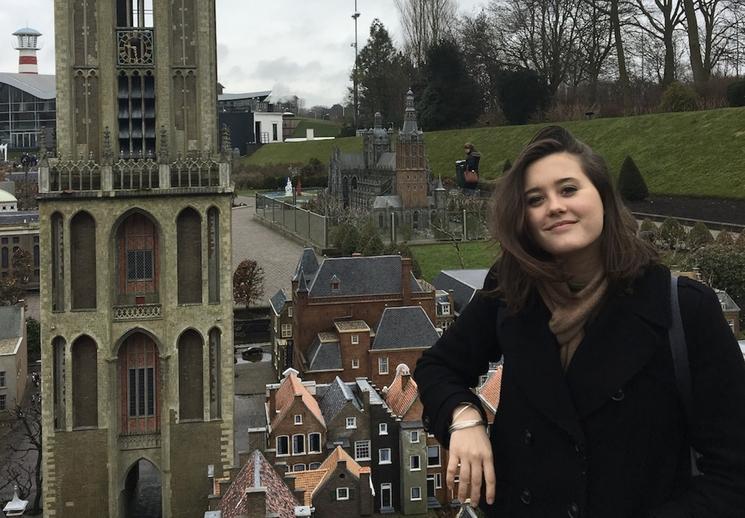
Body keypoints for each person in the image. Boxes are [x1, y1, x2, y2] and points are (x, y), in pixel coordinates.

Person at [414, 126, 745, 517]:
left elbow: (732, 475)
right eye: (535, 199)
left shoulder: (683, 308)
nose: (553, 206)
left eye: (568, 190)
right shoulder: (512, 289)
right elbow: (438, 367)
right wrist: (464, 419)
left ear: (603, 197)